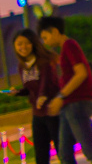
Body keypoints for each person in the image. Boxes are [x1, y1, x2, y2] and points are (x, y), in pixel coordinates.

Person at [37, 16, 92, 164]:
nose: (45, 41)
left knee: (87, 148)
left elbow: (81, 73)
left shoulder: (69, 45)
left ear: (55, 31)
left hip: (76, 104)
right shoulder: (66, 49)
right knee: (64, 151)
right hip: (69, 105)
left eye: (45, 37)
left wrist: (60, 96)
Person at [13, 30, 60, 164]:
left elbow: (46, 82)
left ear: (33, 44)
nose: (23, 47)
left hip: (52, 112)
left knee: (63, 152)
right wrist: (18, 92)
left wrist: (42, 96)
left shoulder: (44, 62)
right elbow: (29, 89)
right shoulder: (22, 66)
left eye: (27, 43)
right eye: (19, 44)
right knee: (40, 156)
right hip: (38, 115)